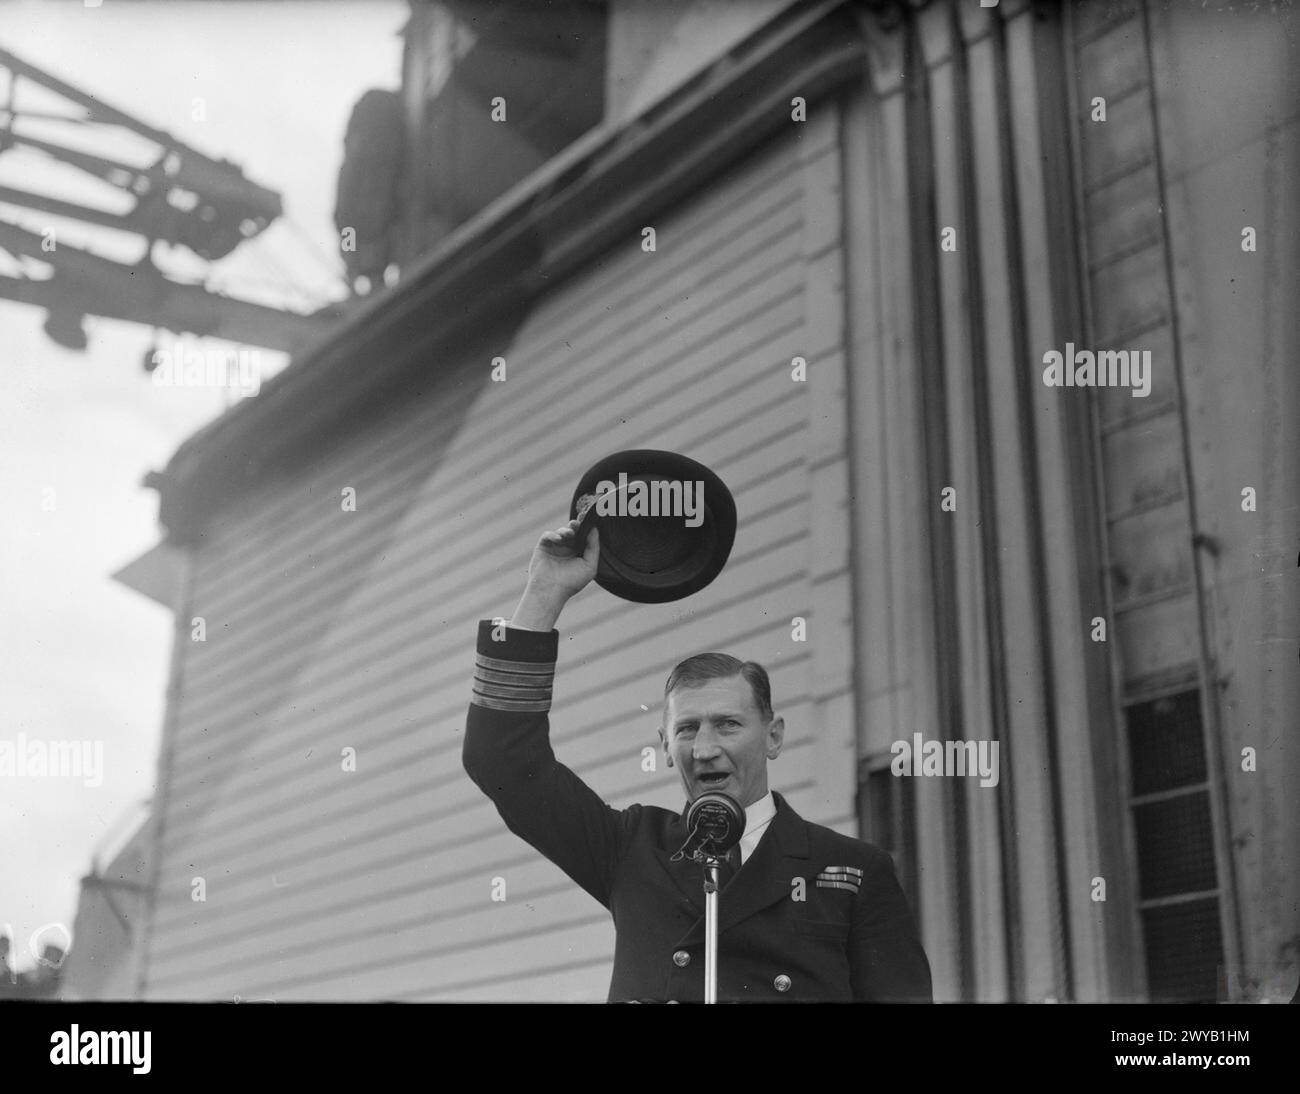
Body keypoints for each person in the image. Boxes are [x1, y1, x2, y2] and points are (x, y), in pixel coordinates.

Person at [463, 517, 932, 1002]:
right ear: (665, 746)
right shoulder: (630, 848)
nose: (705, 749)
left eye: (728, 724)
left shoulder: (852, 868)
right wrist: (545, 591)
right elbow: (501, 760)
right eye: (687, 729)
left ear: (773, 737)